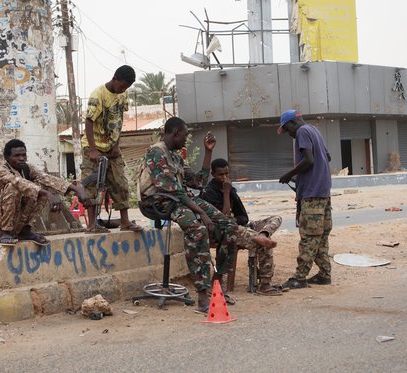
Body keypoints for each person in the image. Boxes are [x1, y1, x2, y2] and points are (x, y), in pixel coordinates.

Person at [138, 117, 239, 313]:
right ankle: (202, 295)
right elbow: (172, 191)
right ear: (175, 132)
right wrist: (202, 213)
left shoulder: (176, 157)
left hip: (181, 199)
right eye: (185, 135)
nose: (186, 139)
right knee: (197, 229)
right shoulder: (157, 152)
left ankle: (216, 284)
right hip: (161, 201)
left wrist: (208, 152)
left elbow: (198, 182)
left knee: (230, 226)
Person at [0, 139, 91, 246]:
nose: (21, 158)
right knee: (15, 187)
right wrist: (48, 194)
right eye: (16, 156)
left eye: (23, 155)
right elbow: (20, 183)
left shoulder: (27, 168)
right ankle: (5, 233)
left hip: (16, 218)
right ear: (7, 158)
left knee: (40, 187)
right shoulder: (0, 170)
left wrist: (77, 189)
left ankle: (24, 230)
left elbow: (46, 178)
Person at [200, 158, 282, 295]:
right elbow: (222, 218)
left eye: (227, 173)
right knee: (262, 244)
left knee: (276, 218)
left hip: (239, 226)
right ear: (213, 174)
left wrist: (235, 218)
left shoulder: (231, 189)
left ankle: (263, 234)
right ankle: (265, 284)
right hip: (224, 231)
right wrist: (226, 193)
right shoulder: (209, 192)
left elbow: (244, 216)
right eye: (221, 175)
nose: (225, 177)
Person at [81, 65, 142, 233]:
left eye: (126, 88)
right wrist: (93, 150)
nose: (123, 90)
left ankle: (125, 222)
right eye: (121, 86)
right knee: (91, 184)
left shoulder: (123, 94)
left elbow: (119, 119)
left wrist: (116, 144)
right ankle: (92, 224)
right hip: (93, 146)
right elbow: (88, 122)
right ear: (114, 79)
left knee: (120, 181)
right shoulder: (98, 94)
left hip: (111, 147)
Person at [277, 109, 333, 289]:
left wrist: (289, 174)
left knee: (309, 237)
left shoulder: (301, 132)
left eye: (287, 130)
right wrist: (303, 176)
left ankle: (299, 277)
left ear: (293, 123)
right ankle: (324, 274)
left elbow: (309, 160)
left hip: (312, 194)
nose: (288, 134)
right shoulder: (314, 130)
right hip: (323, 191)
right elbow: (327, 157)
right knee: (321, 237)